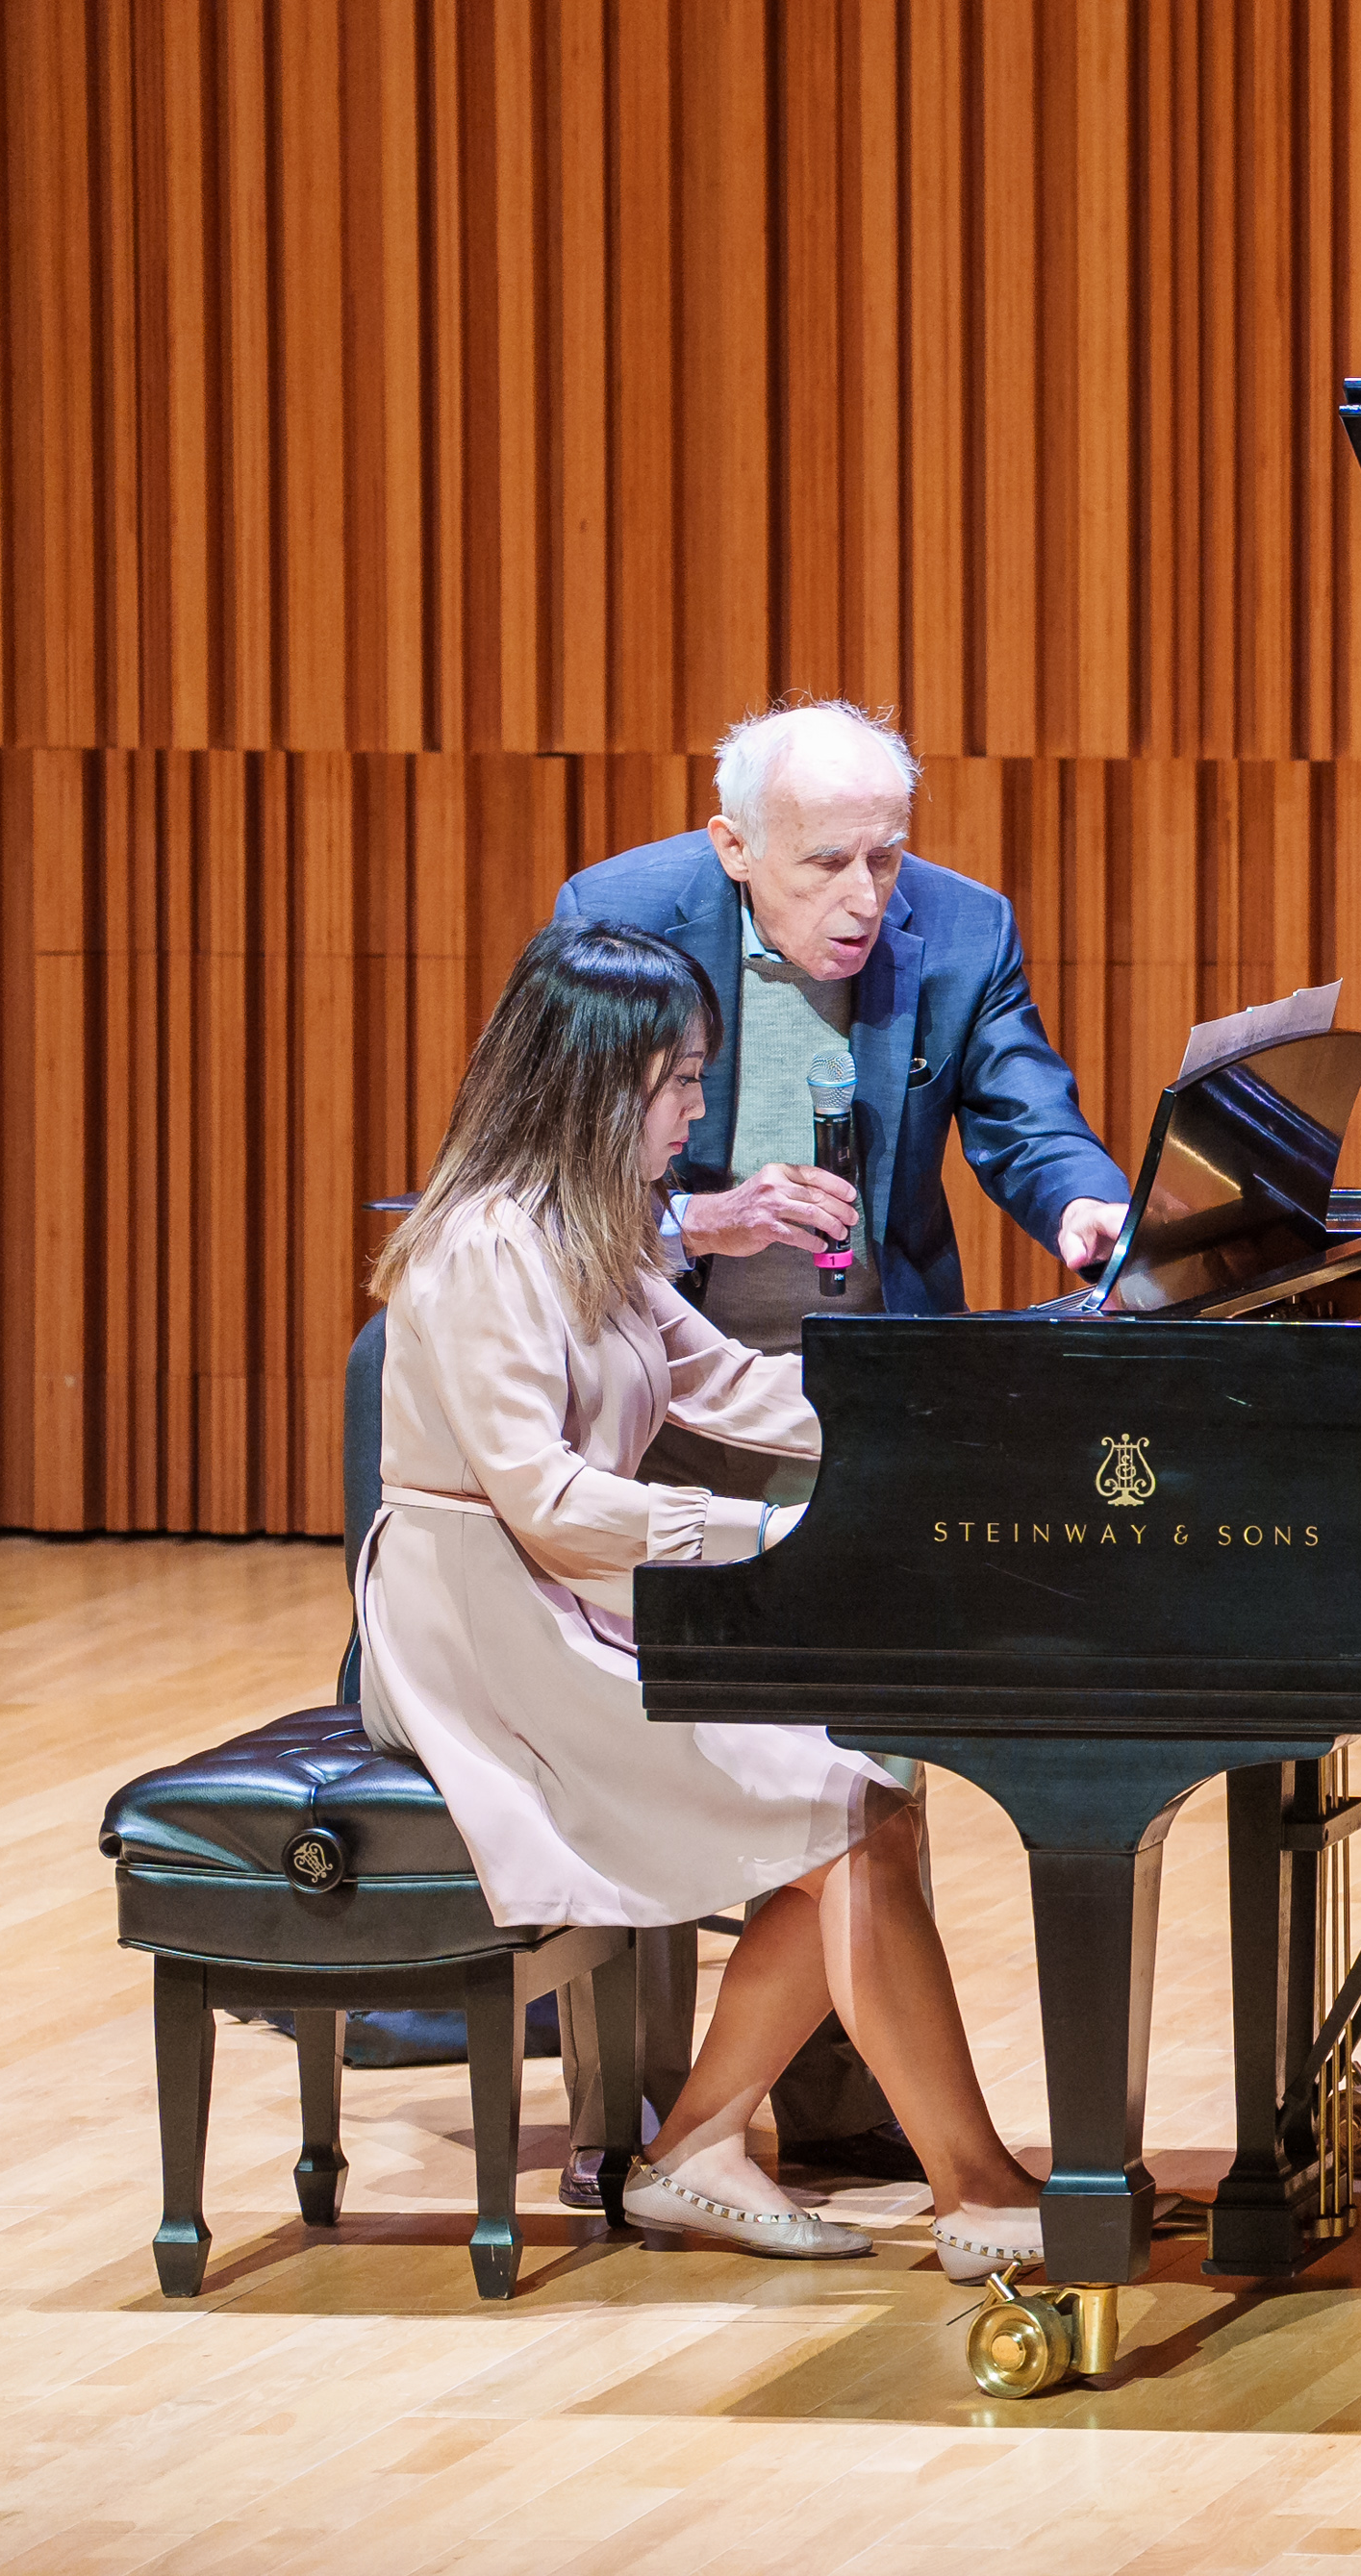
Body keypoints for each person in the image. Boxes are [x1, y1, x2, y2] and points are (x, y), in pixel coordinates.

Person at [356, 919, 1045, 2274]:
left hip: (563, 1599)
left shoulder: (590, 1227)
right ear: (595, 1085)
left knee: (861, 1801)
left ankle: (701, 2151)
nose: (696, 1111)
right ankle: (972, 2191)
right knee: (849, 1811)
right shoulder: (488, 1248)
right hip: (481, 1629)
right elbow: (545, 1503)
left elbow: (730, 1384)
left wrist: (940, 1438)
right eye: (678, 1083)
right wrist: (770, 1531)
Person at [543, 699, 1133, 2194]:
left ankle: (825, 2113)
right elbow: (530, 1193)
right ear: (734, 846)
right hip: (658, 1397)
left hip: (843, 1398)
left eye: (888, 856)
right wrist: (700, 1220)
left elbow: (1025, 1114)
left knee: (863, 1760)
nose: (867, 899)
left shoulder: (962, 926)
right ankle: (658, 2126)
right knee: (758, 1771)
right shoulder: (619, 922)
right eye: (825, 865)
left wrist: (1079, 1203)